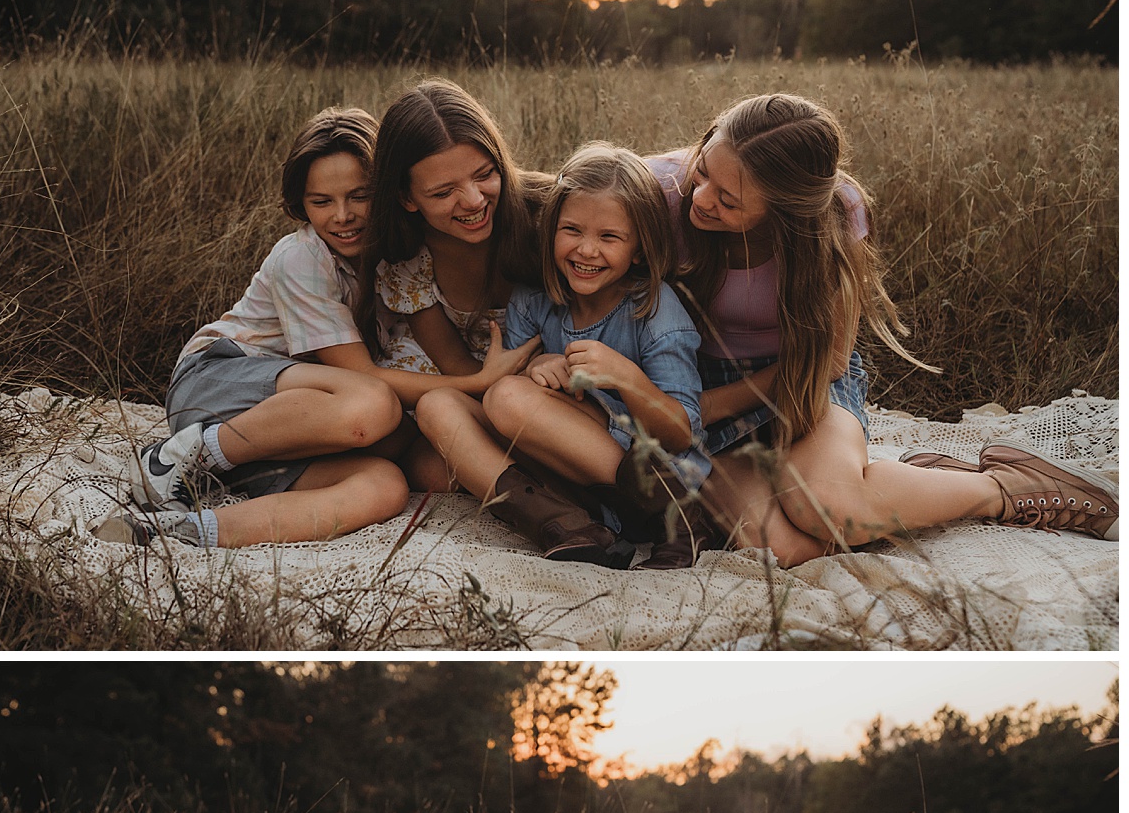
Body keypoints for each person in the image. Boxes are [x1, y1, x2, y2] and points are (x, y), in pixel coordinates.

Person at [647, 94, 1118, 566]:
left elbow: (828, 360)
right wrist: (689, 408)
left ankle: (1007, 486)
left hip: (800, 381)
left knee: (836, 515)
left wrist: (708, 409)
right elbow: (579, 199)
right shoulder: (662, 189)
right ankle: (899, 481)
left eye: (728, 200)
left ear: (787, 210)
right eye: (703, 171)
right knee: (787, 548)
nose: (701, 198)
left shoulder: (835, 212)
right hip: (693, 388)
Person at [99, 107, 534, 548]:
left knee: (386, 486)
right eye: (321, 202)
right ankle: (169, 460)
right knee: (373, 405)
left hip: (296, 427)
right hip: (219, 382)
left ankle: (178, 532)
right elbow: (362, 379)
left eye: (359, 196)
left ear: (387, 191)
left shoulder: (401, 256)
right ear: (301, 205)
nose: (342, 216)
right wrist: (479, 381)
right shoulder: (302, 258)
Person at [418, 143, 707, 568]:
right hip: (568, 482)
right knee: (437, 405)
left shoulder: (654, 309)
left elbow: (681, 436)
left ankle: (681, 520)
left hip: (656, 487)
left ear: (640, 249)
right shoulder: (534, 302)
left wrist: (626, 378)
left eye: (609, 237)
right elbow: (506, 407)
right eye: (572, 230)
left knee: (507, 397)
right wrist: (534, 367)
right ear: (551, 229)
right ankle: (569, 527)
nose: (586, 250)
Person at [358, 79, 547, 491]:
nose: (474, 201)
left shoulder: (547, 216)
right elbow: (455, 365)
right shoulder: (407, 260)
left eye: (484, 174)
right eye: (444, 192)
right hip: (468, 386)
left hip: (549, 383)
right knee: (427, 466)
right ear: (408, 199)